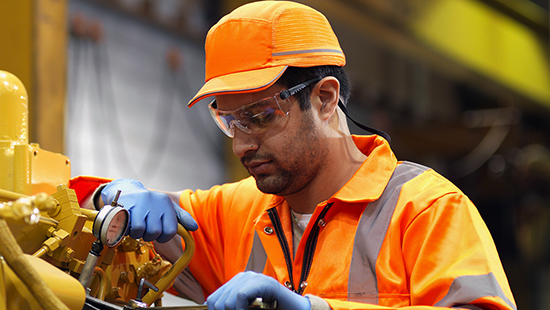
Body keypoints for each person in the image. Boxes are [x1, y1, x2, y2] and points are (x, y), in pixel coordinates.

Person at [70, 1, 517, 309]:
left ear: (324, 99)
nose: (241, 144)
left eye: (260, 115)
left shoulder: (424, 212)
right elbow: (62, 206)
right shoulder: (236, 213)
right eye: (229, 122)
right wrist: (111, 195)